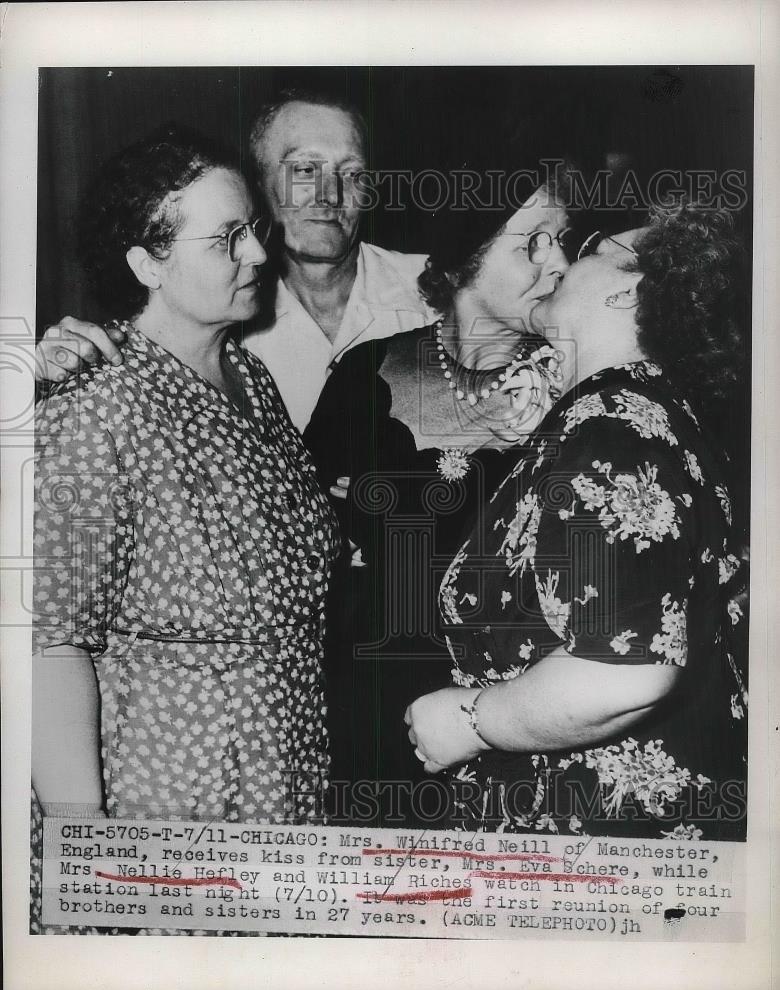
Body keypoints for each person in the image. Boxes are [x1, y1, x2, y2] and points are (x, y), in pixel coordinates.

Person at [405, 202, 748, 840]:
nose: (563, 260)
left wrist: (470, 721)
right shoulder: (642, 415)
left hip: (594, 837)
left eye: (590, 247)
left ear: (631, 290)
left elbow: (624, 670)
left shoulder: (611, 427)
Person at [32, 123, 340, 834]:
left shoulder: (251, 379)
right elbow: (49, 645)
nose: (260, 254)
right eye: (225, 238)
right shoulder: (97, 403)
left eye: (253, 229)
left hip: (283, 778)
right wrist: (84, 842)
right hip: (166, 797)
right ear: (147, 263)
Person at [303, 180, 575, 824]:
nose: (558, 263)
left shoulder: (576, 390)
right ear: (462, 260)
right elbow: (302, 533)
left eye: (561, 241)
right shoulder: (365, 372)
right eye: (532, 243)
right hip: (368, 704)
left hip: (513, 714)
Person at [35, 89, 438, 431]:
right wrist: (42, 372)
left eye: (353, 174)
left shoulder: (439, 293)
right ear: (256, 184)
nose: (331, 194)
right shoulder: (215, 309)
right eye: (304, 170)